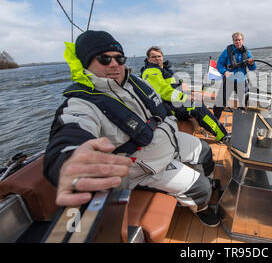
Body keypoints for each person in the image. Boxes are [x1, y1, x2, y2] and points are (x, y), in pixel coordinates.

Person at [43, 30, 220, 227]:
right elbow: (69, 134)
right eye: (104, 59)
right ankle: (202, 207)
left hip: (169, 140)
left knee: (205, 151)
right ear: (86, 63)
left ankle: (209, 183)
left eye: (119, 58)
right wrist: (68, 160)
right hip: (143, 165)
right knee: (201, 188)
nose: (114, 64)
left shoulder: (137, 83)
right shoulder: (81, 103)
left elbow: (163, 104)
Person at [141, 46, 230, 142]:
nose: (157, 59)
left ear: (162, 57)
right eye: (153, 57)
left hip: (174, 103)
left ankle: (212, 127)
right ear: (148, 59)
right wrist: (186, 96)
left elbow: (172, 84)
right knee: (197, 107)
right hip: (169, 108)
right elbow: (165, 92)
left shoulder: (163, 70)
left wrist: (182, 85)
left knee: (199, 102)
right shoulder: (151, 72)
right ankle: (223, 136)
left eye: (159, 56)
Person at [212, 32, 256, 119]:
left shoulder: (247, 52)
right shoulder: (227, 52)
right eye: (236, 40)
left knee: (244, 103)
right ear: (233, 41)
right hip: (229, 80)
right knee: (220, 103)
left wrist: (251, 63)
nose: (237, 42)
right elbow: (219, 65)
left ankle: (241, 121)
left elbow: (252, 68)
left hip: (241, 81)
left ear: (242, 41)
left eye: (239, 40)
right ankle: (215, 120)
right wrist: (225, 72)